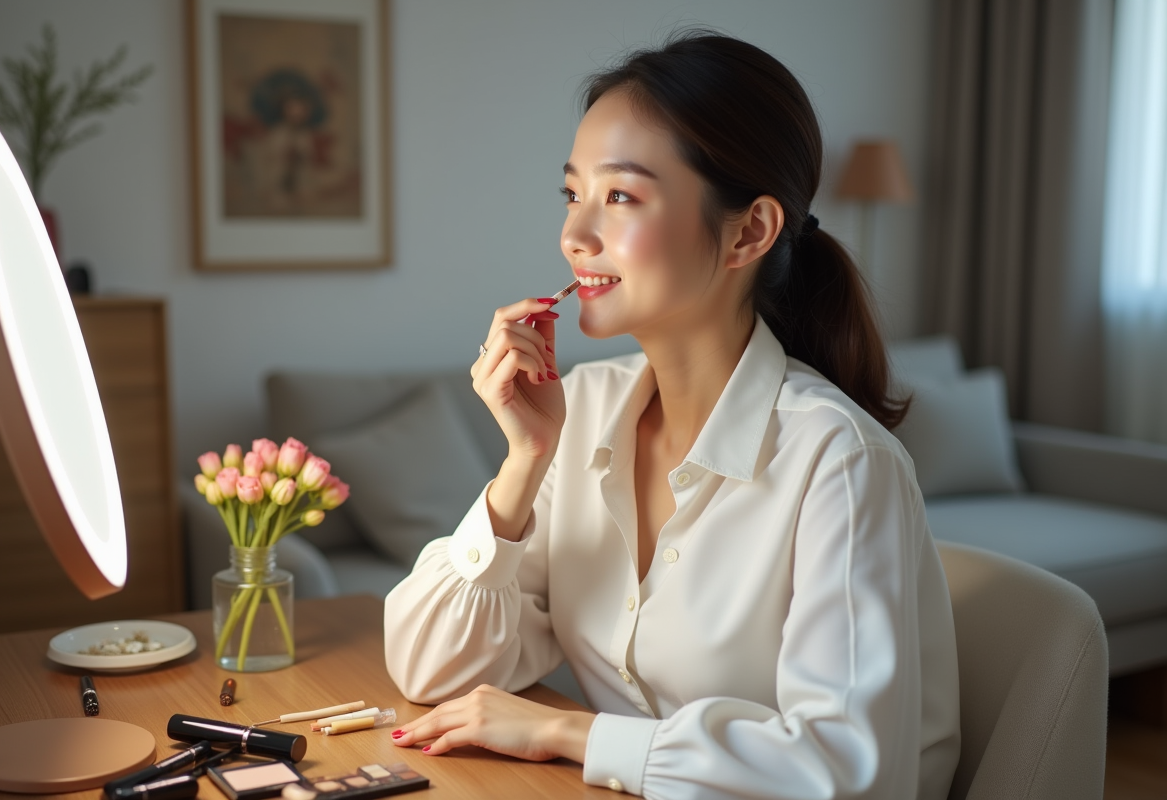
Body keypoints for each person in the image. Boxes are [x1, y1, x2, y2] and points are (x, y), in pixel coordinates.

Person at [384, 31, 960, 800]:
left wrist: (567, 733)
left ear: (749, 231)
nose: (574, 236)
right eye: (573, 194)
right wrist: (524, 464)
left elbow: (851, 773)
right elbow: (430, 670)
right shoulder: (584, 410)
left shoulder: (841, 462)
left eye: (620, 197)